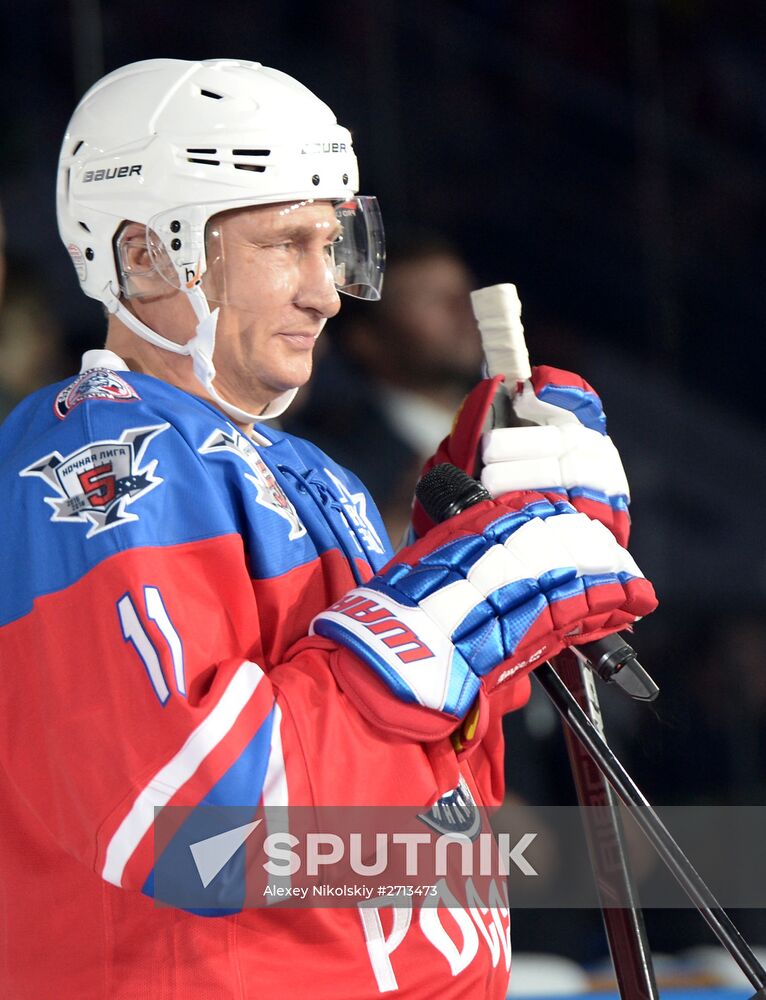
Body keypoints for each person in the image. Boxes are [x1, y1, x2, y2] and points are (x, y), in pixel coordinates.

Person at [0, 58, 656, 999]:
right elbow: (197, 834)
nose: (326, 292)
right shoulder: (97, 458)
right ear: (143, 254)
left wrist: (509, 600)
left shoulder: (315, 476)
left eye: (333, 243)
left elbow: (429, 808)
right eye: (286, 245)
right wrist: (454, 604)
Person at [285, 237, 484, 539]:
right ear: (366, 339)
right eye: (431, 298)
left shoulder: (513, 419)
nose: (464, 310)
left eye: (463, 293)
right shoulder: (325, 457)